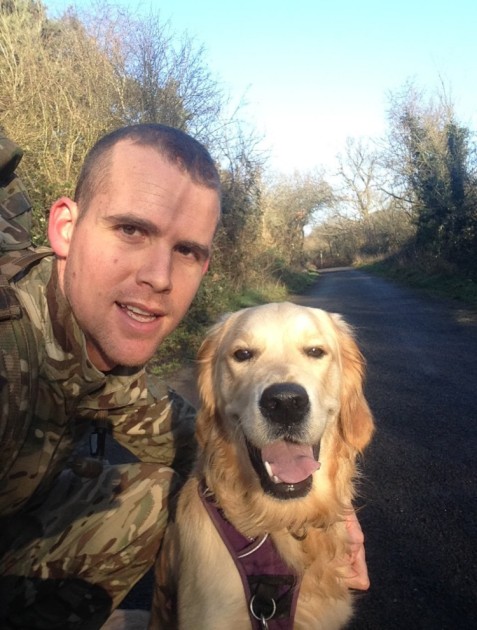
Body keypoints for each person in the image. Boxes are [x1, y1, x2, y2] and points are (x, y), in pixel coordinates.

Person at [0, 124, 368, 630]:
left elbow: (195, 434)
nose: (159, 277)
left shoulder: (105, 351)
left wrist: (329, 514)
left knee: (157, 494)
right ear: (65, 227)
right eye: (132, 230)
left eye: (187, 250)